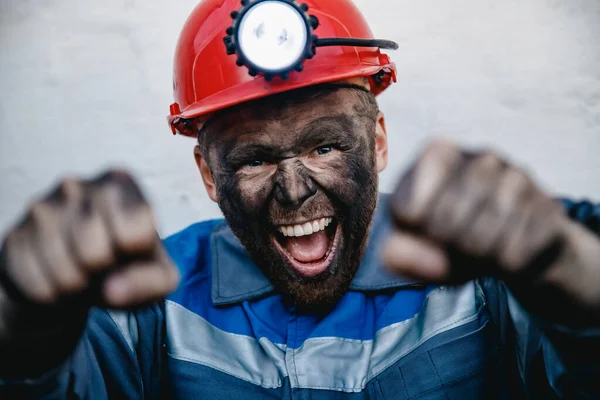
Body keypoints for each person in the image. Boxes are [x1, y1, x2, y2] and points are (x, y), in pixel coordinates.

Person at [1, 0, 599, 398]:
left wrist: (581, 292)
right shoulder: (151, 301)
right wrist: (26, 335)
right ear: (210, 176)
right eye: (255, 159)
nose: (294, 190)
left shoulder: (479, 279)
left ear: (379, 140)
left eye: (325, 148)